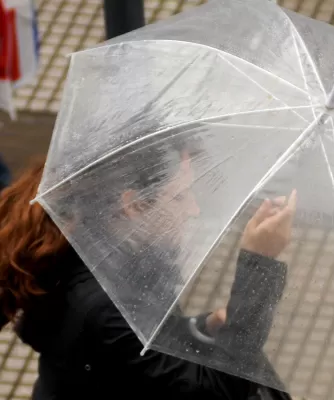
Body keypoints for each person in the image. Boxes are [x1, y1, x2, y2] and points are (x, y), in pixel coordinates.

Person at [0, 141, 296, 399]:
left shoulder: (108, 252)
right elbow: (217, 392)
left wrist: (199, 328)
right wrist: (259, 261)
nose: (193, 210)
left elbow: (144, 344)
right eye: (180, 196)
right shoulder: (106, 302)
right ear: (135, 205)